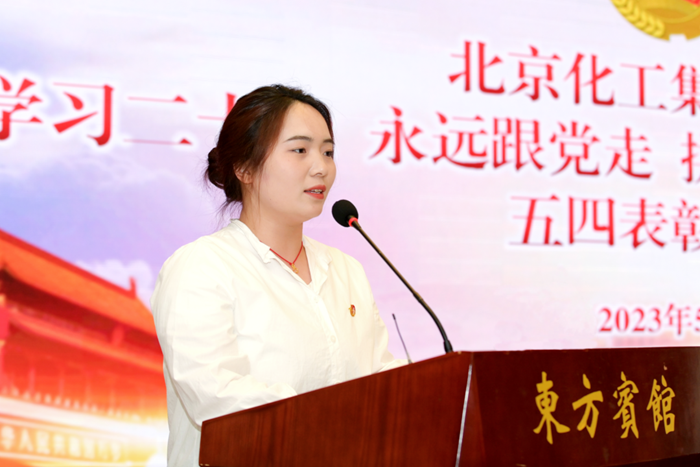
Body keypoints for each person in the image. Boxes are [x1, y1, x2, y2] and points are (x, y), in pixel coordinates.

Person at [151, 84, 404, 467]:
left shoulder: (346, 270)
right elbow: (218, 398)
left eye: (328, 152)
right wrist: (341, 423)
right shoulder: (201, 267)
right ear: (245, 168)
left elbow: (382, 380)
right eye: (300, 150)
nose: (321, 167)